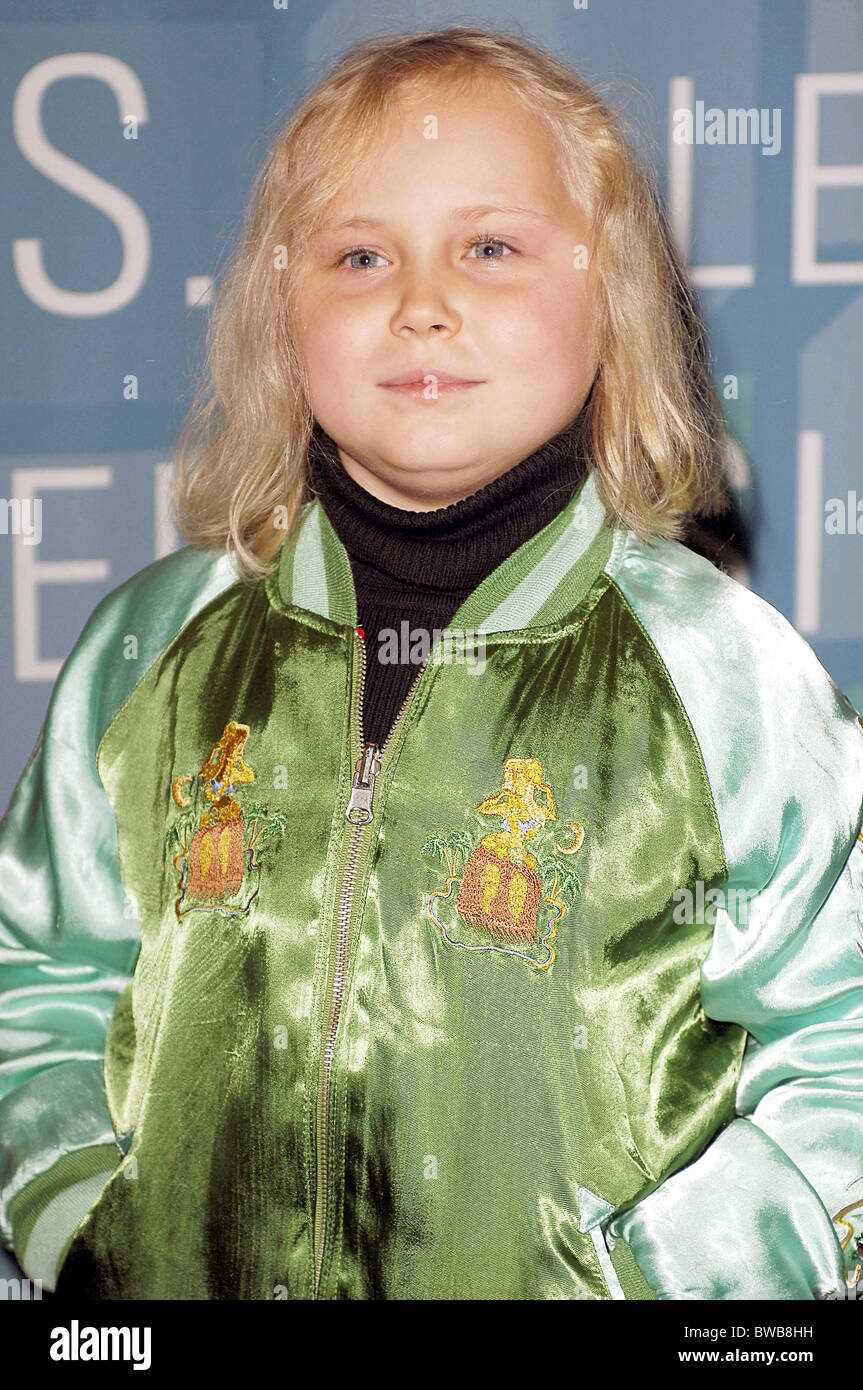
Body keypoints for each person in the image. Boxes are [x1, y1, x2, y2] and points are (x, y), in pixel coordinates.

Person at [1, 26, 861, 1302]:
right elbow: (42, 978)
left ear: (609, 297)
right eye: (358, 254)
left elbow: (837, 1052)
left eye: (491, 247)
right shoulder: (153, 651)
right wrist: (82, 1219)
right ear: (280, 314)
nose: (420, 300)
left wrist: (659, 1286)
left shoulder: (728, 680)